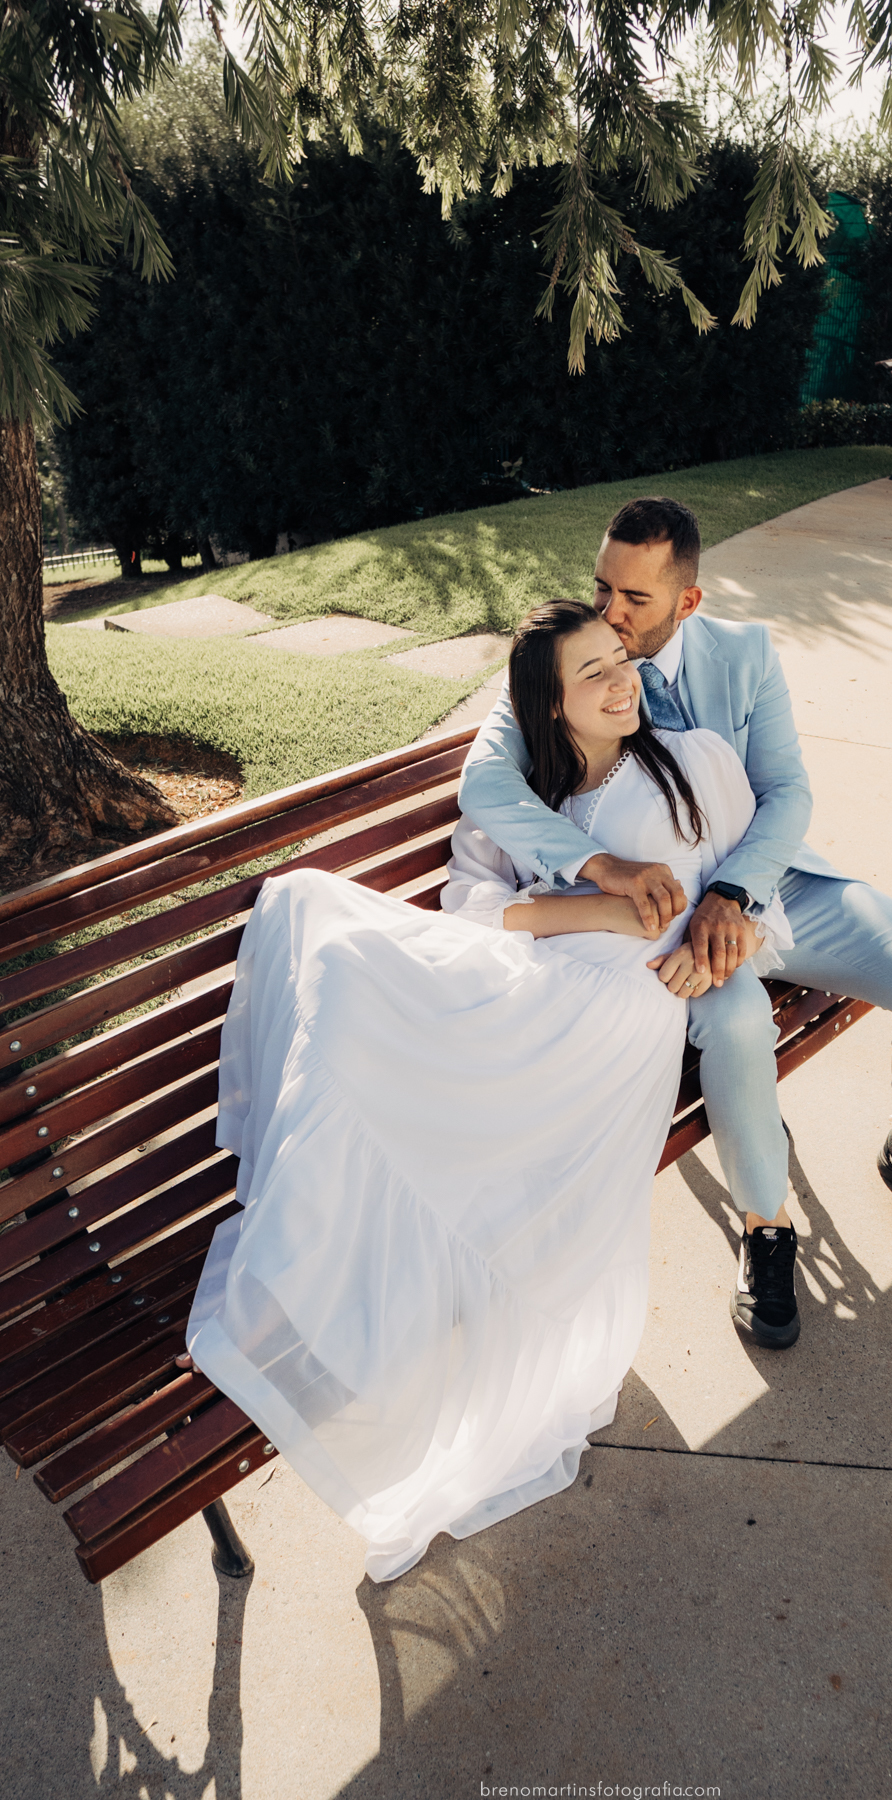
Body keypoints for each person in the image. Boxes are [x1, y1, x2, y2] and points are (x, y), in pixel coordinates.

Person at [185, 599, 790, 1582]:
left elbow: (767, 897)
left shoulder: (702, 770)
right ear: (552, 711)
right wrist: (599, 898)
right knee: (323, 938)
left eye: (618, 658)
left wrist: (726, 936)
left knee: (386, 1041)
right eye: (590, 674)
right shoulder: (526, 798)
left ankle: (307, 1286)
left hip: (619, 1016)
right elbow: (478, 913)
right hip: (529, 984)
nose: (619, 681)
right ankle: (291, 1255)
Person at [459, 497, 892, 1354]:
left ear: (688, 603)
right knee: (736, 1017)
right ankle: (764, 1228)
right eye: (603, 589)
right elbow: (485, 790)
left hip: (765, 885)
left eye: (634, 600)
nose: (611, 615)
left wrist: (737, 894)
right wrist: (605, 870)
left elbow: (787, 792)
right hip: (664, 925)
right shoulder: (575, 661)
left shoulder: (745, 656)